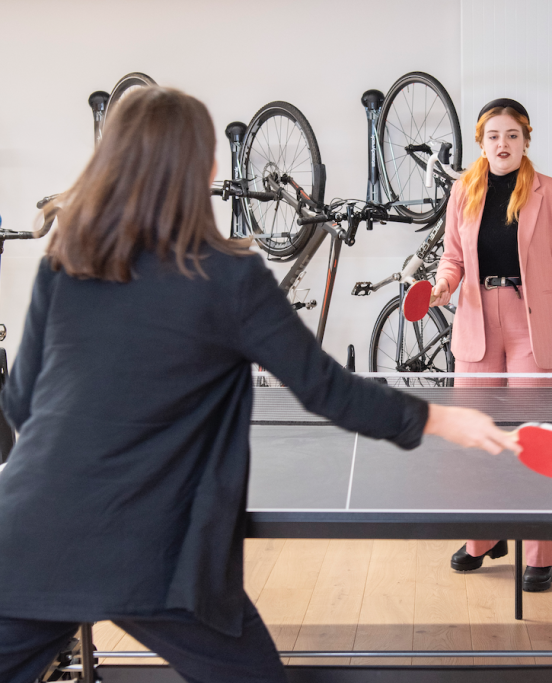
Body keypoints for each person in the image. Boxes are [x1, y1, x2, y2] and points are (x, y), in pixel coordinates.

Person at [0, 87, 519, 683]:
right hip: (158, 551)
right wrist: (439, 416)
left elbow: (20, 402)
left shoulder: (66, 263)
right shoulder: (226, 275)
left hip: (30, 532)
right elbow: (325, 388)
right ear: (202, 169)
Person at [430, 98, 552, 592]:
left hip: (532, 324)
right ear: (481, 143)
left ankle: (541, 552)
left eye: (512, 135)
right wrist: (443, 284)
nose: (503, 143)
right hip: (476, 321)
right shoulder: (463, 191)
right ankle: (483, 538)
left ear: (526, 141)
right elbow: (452, 258)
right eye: (493, 136)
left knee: (535, 440)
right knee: (479, 436)